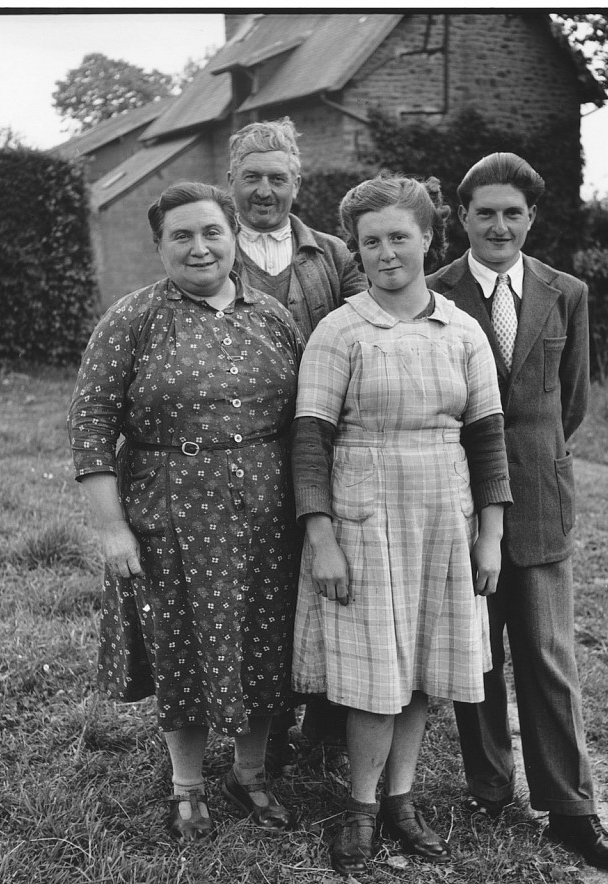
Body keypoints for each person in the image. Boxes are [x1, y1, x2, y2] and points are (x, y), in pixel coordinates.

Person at [290, 174, 512, 876]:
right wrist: (320, 534)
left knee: (421, 667)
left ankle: (401, 801)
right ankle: (358, 809)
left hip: (443, 516)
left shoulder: (461, 329)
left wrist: (491, 534)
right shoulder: (341, 329)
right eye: (371, 241)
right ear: (357, 251)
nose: (387, 253)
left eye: (399, 237)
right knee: (371, 672)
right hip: (363, 518)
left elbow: (487, 438)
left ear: (426, 239)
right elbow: (308, 440)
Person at [68, 182, 303, 841]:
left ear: (233, 239)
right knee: (182, 644)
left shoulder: (273, 317)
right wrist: (112, 527)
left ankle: (251, 775)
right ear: (159, 246)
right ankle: (187, 786)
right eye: (182, 236)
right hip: (172, 511)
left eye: (211, 233)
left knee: (266, 637)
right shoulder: (134, 318)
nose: (199, 247)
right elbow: (89, 425)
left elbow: (304, 420)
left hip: (267, 512)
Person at [426, 152, 608, 872]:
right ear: (461, 217)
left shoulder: (565, 292)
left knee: (547, 657)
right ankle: (489, 785)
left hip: (542, 504)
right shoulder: (433, 293)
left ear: (531, 218)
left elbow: (568, 403)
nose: (498, 225)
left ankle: (571, 808)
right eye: (483, 212)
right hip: (459, 505)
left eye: (512, 212)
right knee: (476, 654)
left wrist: (536, 462)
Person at [227, 117, 367, 771]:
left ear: (296, 183)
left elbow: (371, 328)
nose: (263, 190)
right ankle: (263, 723)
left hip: (323, 445)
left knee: (330, 576)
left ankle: (327, 721)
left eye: (276, 177)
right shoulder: (210, 250)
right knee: (260, 586)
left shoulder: (333, 257)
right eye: (251, 176)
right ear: (232, 181)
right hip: (241, 453)